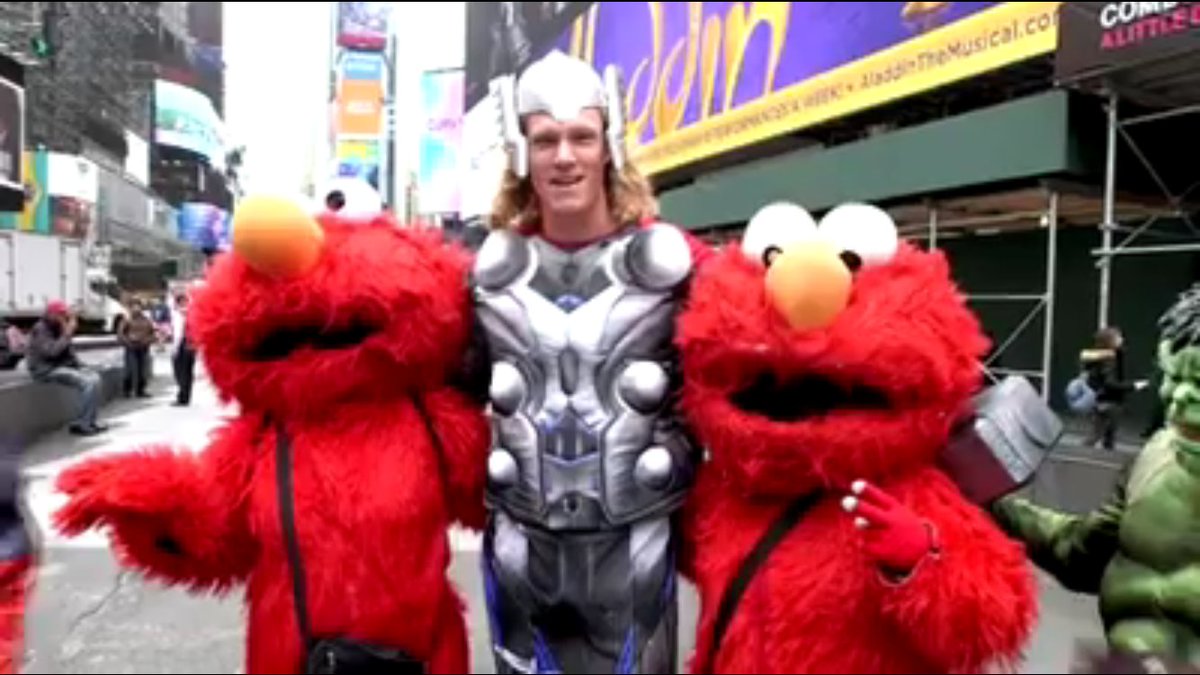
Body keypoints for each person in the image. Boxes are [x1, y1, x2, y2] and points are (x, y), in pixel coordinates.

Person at [469, 50, 708, 674]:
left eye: (582, 136)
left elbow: (739, 379)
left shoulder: (675, 264)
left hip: (633, 539)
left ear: (610, 145)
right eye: (546, 140)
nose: (565, 156)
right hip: (522, 538)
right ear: (522, 153)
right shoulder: (487, 273)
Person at [993, 285, 1200, 669]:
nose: (1182, 396)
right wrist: (997, 508)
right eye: (1175, 375)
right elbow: (1083, 553)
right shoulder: (1154, 457)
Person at [25, 302, 107, 436]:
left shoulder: (58, 326)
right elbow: (51, 352)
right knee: (87, 383)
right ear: (51, 314)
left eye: (65, 315)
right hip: (44, 369)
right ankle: (83, 425)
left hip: (59, 365)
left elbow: (68, 352)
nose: (64, 317)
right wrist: (67, 334)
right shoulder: (41, 328)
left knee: (96, 378)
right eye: (61, 315)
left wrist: (80, 366)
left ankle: (88, 421)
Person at [1081, 326, 1147, 450]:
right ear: (1110, 341)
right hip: (1108, 402)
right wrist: (1134, 386)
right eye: (1118, 337)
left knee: (1101, 435)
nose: (1121, 339)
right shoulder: (1109, 359)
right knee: (1101, 436)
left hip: (1099, 400)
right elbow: (1110, 383)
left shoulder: (1099, 356)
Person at [118, 300, 156, 399]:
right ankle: (127, 390)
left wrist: (148, 341)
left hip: (143, 348)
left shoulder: (146, 320)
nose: (136, 309)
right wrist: (128, 342)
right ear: (131, 308)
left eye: (138, 306)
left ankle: (140, 390)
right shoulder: (127, 319)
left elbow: (152, 333)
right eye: (134, 306)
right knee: (129, 370)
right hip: (131, 348)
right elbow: (121, 334)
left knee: (142, 370)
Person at [170, 290, 196, 407]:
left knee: (183, 371)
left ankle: (183, 397)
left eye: (183, 301)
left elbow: (180, 333)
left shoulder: (185, 314)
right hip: (185, 344)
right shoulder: (178, 314)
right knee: (184, 371)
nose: (182, 303)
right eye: (180, 301)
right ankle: (184, 396)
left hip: (185, 344)